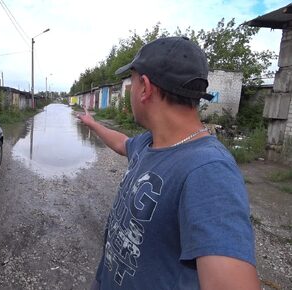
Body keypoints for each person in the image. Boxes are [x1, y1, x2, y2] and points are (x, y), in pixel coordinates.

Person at [78, 37, 260, 290]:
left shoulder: (208, 170)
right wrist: (93, 124)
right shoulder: (149, 143)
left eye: (132, 82)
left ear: (145, 88)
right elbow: (123, 144)